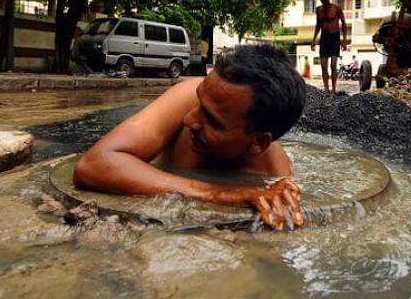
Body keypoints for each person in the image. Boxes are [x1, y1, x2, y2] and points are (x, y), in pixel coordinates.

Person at [73, 44, 306, 230]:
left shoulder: (273, 175)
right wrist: (214, 192)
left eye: (212, 121)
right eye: (198, 101)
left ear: (258, 142)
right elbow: (93, 164)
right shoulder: (185, 96)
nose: (188, 121)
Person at [310, 0, 347, 96]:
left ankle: (334, 89)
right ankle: (326, 89)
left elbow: (344, 23)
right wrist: (314, 40)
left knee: (333, 64)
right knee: (323, 65)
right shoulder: (318, 10)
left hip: (335, 37)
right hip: (324, 37)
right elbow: (318, 25)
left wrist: (344, 40)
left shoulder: (336, 8)